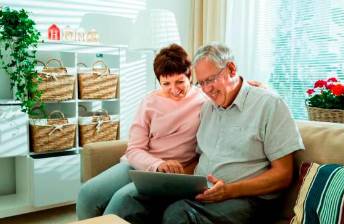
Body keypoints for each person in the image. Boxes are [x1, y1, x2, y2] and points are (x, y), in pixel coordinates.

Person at [116, 43, 305, 224]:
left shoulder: (269, 104)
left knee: (179, 215)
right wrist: (170, 181)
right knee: (130, 202)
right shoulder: (207, 108)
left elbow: (283, 174)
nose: (206, 89)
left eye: (211, 80)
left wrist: (228, 191)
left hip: (248, 199)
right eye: (202, 82)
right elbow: (199, 160)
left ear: (231, 69)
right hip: (203, 191)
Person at [76, 44, 206, 220]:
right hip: (138, 165)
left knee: (121, 200)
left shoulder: (204, 101)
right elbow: (134, 149)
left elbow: (228, 87)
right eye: (166, 83)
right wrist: (158, 164)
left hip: (170, 175)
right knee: (87, 194)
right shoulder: (150, 101)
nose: (174, 89)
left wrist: (252, 85)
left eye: (180, 81)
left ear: (190, 76)